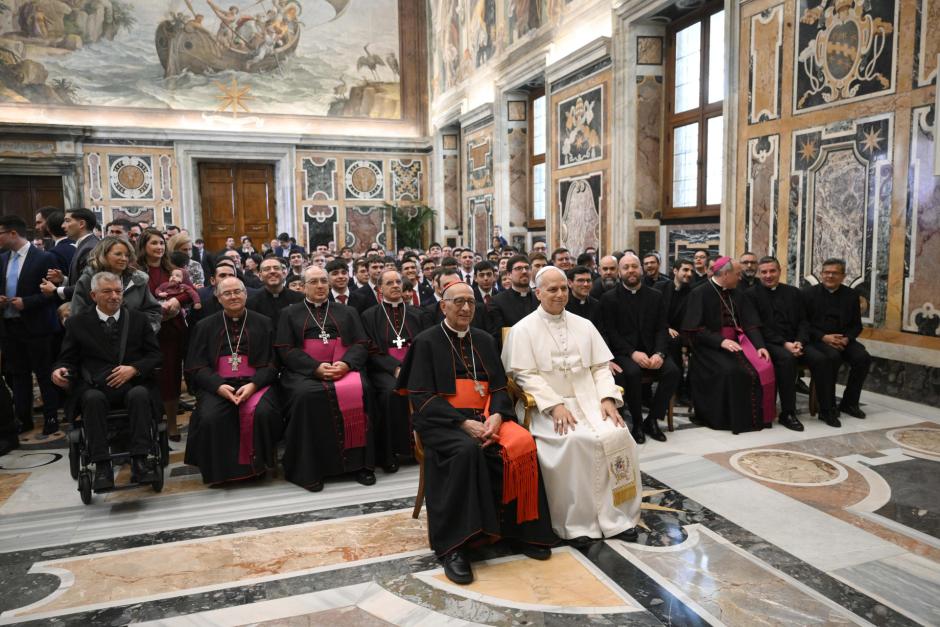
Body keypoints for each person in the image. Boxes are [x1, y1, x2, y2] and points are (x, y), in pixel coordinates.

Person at [398, 279, 555, 585]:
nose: (466, 308)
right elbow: (420, 397)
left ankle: (520, 531)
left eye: (471, 302)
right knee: (466, 450)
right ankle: (456, 548)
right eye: (458, 302)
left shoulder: (483, 339)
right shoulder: (427, 342)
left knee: (522, 443)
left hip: (485, 417)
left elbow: (498, 387)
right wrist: (461, 422)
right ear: (443, 306)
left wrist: (497, 414)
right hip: (442, 422)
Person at [504, 266, 640, 545]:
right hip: (546, 407)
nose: (559, 294)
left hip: (590, 400)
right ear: (538, 292)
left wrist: (607, 398)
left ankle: (617, 518)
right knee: (575, 441)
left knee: (617, 434)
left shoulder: (584, 325)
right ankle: (578, 523)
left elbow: (601, 366)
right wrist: (554, 405)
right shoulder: (522, 330)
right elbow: (524, 375)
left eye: (563, 288)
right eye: (552, 289)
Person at [52, 272, 162, 490]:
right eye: (107, 291)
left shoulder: (138, 319)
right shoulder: (77, 323)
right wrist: (59, 370)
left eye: (118, 291)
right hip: (95, 385)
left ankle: (140, 461)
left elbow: (155, 355)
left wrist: (134, 369)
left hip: (132, 383)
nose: (114, 296)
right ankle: (102, 465)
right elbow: (67, 359)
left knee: (140, 395)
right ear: (93, 295)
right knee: (92, 400)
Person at [276, 266, 376, 491]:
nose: (320, 285)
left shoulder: (347, 312)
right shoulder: (289, 313)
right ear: (303, 287)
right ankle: (312, 469)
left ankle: (360, 465)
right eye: (314, 282)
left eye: (323, 281)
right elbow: (285, 349)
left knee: (363, 390)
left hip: (343, 368)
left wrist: (346, 364)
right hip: (304, 373)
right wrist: (315, 368)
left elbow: (361, 343)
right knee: (307, 396)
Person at [184, 277, 282, 484]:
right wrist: (218, 386)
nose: (233, 296)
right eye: (227, 293)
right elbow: (196, 365)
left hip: (256, 383)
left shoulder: (264, 323)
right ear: (218, 298)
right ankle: (220, 473)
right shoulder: (204, 326)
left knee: (263, 412)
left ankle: (259, 466)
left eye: (237, 291)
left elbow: (273, 363)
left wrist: (254, 384)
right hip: (218, 384)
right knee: (210, 416)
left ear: (246, 294)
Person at [682, 257, 775, 434]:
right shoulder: (699, 293)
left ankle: (761, 417)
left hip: (739, 342)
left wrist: (760, 346)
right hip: (709, 347)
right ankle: (729, 420)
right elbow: (694, 330)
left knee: (765, 366)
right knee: (732, 371)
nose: (740, 278)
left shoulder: (738, 293)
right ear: (725, 274)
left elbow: (750, 323)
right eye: (737, 274)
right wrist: (721, 341)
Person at [747, 257, 831, 431]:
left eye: (772, 271)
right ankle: (788, 413)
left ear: (780, 271)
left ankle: (826, 409)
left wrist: (799, 341)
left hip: (796, 341)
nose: (768, 275)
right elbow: (757, 326)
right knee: (787, 360)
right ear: (758, 273)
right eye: (764, 272)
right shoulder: (750, 295)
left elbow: (803, 321)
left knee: (821, 359)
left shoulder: (793, 292)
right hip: (769, 343)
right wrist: (785, 344)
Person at [600, 254, 676, 443]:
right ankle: (637, 423)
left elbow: (661, 328)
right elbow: (611, 333)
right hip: (624, 352)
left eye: (634, 266)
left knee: (673, 371)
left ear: (641, 269)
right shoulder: (609, 299)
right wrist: (632, 353)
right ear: (619, 272)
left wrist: (659, 353)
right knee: (632, 373)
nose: (631, 270)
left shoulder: (655, 296)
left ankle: (652, 419)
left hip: (652, 350)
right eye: (626, 267)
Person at [0, 215, 61, 435]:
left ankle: (51, 416)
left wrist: (27, 302)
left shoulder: (43, 258)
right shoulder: (2, 258)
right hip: (10, 327)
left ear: (13, 233)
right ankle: (23, 418)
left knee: (44, 373)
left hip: (37, 326)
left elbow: (52, 294)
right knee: (18, 375)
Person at [360, 269, 426, 471]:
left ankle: (426, 447)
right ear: (380, 289)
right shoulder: (369, 316)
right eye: (390, 283)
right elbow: (370, 348)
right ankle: (391, 453)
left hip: (416, 366)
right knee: (391, 394)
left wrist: (413, 367)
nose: (396, 286)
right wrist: (395, 368)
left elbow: (425, 344)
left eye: (398, 282)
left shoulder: (416, 313)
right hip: (384, 370)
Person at [802, 258, 871, 422]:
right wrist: (824, 337)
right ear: (821, 274)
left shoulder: (852, 295)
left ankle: (850, 402)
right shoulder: (807, 294)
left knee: (863, 358)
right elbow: (803, 324)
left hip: (843, 339)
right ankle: (828, 407)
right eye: (826, 273)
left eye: (835, 273)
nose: (830, 276)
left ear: (843, 276)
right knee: (832, 357)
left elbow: (856, 325)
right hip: (817, 339)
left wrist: (847, 339)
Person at [138, 228, 191, 441]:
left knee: (171, 376)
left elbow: (189, 291)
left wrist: (178, 301)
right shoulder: (135, 272)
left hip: (171, 332)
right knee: (149, 377)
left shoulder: (174, 270)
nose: (159, 247)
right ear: (143, 246)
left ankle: (171, 423)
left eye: (161, 243)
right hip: (146, 333)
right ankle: (151, 421)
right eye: (154, 243)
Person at [70, 236, 162, 334]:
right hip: (97, 343)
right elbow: (78, 314)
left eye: (127, 255)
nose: (124, 259)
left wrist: (142, 332)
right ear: (103, 255)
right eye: (118, 254)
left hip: (133, 344)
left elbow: (153, 312)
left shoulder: (138, 280)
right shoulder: (89, 279)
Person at [40, 208, 99, 303]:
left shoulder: (89, 248)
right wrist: (63, 279)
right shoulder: (86, 244)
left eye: (67, 221)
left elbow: (89, 285)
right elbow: (81, 280)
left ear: (81, 224)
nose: (63, 226)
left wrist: (55, 290)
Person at [657, 257, 694, 404]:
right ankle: (676, 389)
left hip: (683, 333)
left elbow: (691, 318)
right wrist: (666, 327)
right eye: (685, 270)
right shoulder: (660, 287)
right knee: (673, 342)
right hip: (661, 331)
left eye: (691, 271)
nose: (689, 273)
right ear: (675, 271)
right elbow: (654, 313)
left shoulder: (693, 292)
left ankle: (684, 390)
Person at [487, 254, 537, 342]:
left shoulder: (540, 299)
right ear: (509, 274)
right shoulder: (496, 302)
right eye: (518, 268)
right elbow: (498, 336)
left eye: (527, 268)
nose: (524, 271)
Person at [246, 256, 302, 329]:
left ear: (284, 273)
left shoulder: (299, 299)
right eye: (267, 269)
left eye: (276, 268)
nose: (272, 271)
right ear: (260, 276)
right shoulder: (251, 303)